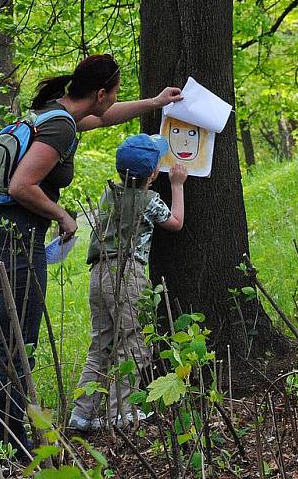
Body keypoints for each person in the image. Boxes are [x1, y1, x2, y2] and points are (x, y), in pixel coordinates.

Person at [0, 54, 182, 459]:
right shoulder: (62, 127)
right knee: (15, 341)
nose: (114, 99)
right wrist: (64, 216)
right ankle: (12, 444)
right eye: (114, 92)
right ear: (100, 92)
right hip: (13, 239)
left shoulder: (55, 113)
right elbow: (21, 185)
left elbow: (104, 118)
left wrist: (154, 103)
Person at [69, 134, 187, 431]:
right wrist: (177, 185)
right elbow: (176, 222)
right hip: (127, 274)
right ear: (153, 174)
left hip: (98, 273)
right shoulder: (149, 200)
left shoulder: (109, 194)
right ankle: (120, 413)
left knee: (102, 343)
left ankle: (82, 413)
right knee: (132, 342)